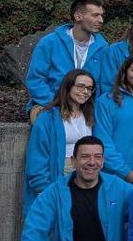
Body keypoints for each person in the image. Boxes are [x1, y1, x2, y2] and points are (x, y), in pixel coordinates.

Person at [26, 70, 124, 214]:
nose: (85, 92)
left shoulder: (90, 116)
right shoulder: (48, 118)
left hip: (87, 174)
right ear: (68, 86)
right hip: (59, 175)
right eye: (80, 86)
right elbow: (37, 158)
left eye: (89, 88)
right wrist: (45, 191)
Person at [25, 0, 108, 117]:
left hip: (87, 107)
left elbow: (104, 84)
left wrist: (91, 107)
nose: (100, 20)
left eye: (101, 16)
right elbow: (35, 79)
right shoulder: (50, 42)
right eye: (95, 15)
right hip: (51, 104)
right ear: (78, 16)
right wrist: (56, 103)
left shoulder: (104, 48)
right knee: (47, 120)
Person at [94, 56, 133, 182]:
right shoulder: (106, 101)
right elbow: (103, 141)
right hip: (115, 175)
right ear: (125, 72)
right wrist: (125, 172)